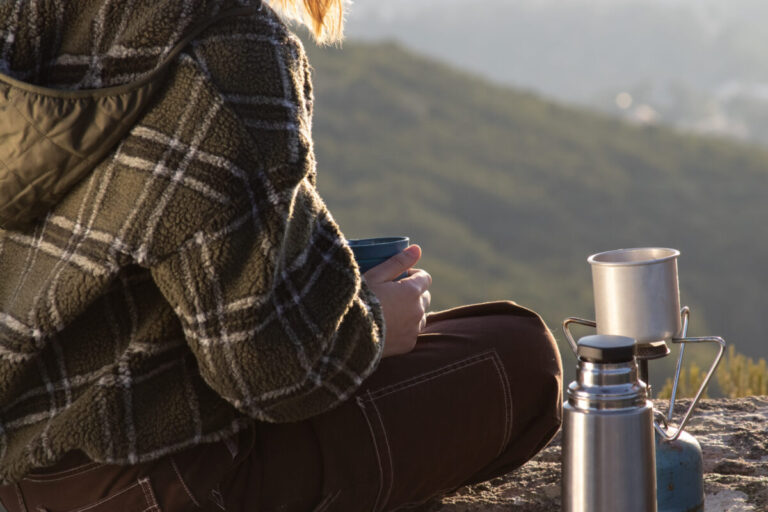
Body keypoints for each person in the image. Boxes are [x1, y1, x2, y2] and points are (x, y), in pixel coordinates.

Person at [0, 0, 562, 510]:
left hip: (21, 475)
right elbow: (269, 374)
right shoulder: (224, 44)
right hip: (156, 480)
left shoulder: (26, 20)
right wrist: (370, 322)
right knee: (518, 352)